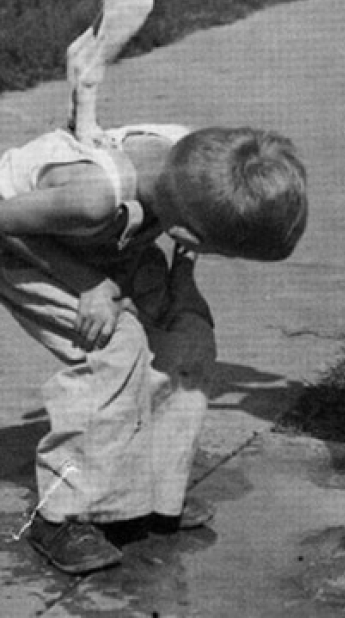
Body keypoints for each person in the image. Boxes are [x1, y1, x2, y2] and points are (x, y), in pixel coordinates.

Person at [0, 122, 307, 576]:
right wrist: (90, 284)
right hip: (25, 245)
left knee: (190, 335)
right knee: (114, 348)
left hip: (109, 244)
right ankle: (61, 514)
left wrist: (184, 291)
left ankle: (154, 494)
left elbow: (185, 250)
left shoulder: (198, 170)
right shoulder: (92, 195)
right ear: (186, 232)